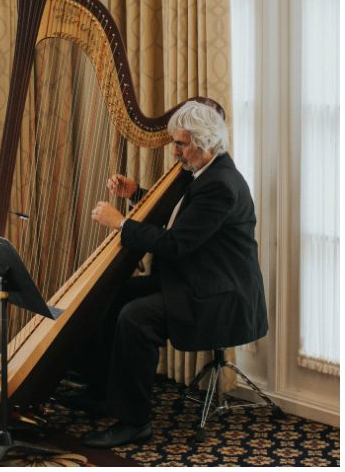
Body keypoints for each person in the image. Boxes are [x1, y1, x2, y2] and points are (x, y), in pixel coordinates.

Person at [70, 100, 267, 448]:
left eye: (180, 143)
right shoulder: (204, 173)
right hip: (193, 280)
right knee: (111, 293)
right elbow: (182, 220)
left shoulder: (220, 184)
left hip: (218, 294)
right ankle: (103, 393)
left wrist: (122, 224)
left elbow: (176, 243)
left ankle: (134, 422)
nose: (174, 150)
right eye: (175, 142)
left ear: (205, 143)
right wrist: (136, 196)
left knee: (135, 317)